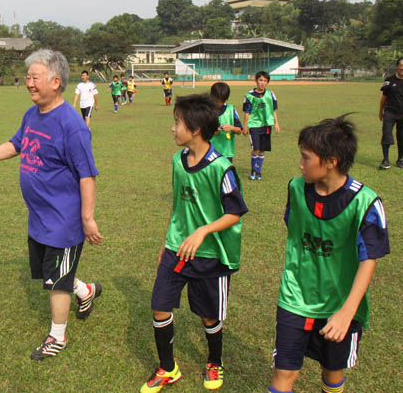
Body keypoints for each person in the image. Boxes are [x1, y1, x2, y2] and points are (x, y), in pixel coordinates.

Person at [0, 49, 103, 360]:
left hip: (65, 220)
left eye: (34, 77)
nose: (29, 83)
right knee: (51, 273)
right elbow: (16, 144)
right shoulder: (32, 115)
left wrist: (87, 218)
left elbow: (87, 176)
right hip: (39, 218)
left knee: (57, 282)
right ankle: (86, 291)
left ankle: (57, 337)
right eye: (27, 77)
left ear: (55, 81)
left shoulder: (72, 126)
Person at [269, 115, 389, 393]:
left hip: (339, 305)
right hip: (294, 297)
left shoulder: (365, 203)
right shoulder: (296, 188)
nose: (300, 164)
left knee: (332, 371)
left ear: (331, 162)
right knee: (284, 371)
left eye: (306, 158)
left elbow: (368, 260)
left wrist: (347, 312)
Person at [141, 94, 248, 393]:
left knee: (208, 314)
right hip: (177, 248)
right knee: (159, 306)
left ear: (196, 128)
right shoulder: (178, 161)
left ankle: (215, 361)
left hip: (210, 254)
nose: (172, 129)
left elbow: (235, 213)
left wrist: (202, 232)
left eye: (177, 123)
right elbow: (178, 206)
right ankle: (167, 367)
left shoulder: (221, 167)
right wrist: (168, 239)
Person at [242, 71, 280, 180]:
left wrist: (276, 123)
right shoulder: (249, 95)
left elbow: (274, 110)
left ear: (267, 82)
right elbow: (247, 112)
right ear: (256, 81)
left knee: (262, 149)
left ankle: (258, 171)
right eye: (260, 80)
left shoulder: (270, 94)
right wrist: (245, 126)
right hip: (254, 125)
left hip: (266, 125)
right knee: (255, 148)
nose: (262, 83)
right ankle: (253, 170)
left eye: (264, 81)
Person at [378, 56, 403, 169]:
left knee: (401, 137)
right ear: (397, 67)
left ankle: (400, 160)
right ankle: (386, 160)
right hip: (390, 112)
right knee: (387, 134)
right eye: (401, 65)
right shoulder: (389, 80)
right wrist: (380, 111)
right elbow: (384, 97)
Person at [209, 82, 243, 162]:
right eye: (216, 100)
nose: (218, 103)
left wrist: (232, 128)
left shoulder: (231, 109)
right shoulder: (207, 110)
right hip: (209, 152)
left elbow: (239, 130)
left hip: (227, 152)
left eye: (221, 100)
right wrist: (214, 132)